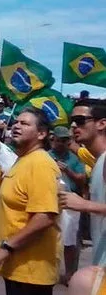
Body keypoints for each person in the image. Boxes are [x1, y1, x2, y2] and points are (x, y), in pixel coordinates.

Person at [0, 107, 60, 295]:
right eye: (16, 122)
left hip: (31, 272)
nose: (16, 126)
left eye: (25, 123)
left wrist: (6, 247)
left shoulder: (40, 164)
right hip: (17, 269)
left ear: (42, 134)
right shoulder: (22, 161)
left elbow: (45, 216)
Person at [59, 99, 106, 291]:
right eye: (72, 120)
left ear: (101, 123)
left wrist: (84, 205)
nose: (73, 125)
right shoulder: (98, 161)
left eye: (80, 120)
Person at [48, 126, 85, 283]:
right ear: (53, 140)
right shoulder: (47, 156)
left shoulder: (74, 158)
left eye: (65, 140)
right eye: (59, 140)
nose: (62, 143)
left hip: (70, 201)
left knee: (70, 240)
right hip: (50, 200)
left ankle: (70, 273)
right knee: (50, 239)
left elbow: (81, 179)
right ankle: (50, 272)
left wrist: (68, 170)